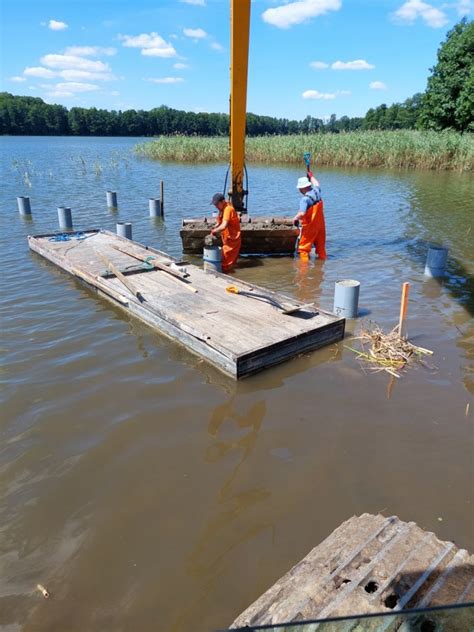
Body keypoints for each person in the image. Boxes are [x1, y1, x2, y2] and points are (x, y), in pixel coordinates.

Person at [293, 168, 327, 260]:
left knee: (303, 250)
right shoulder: (316, 191)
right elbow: (317, 184)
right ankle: (321, 268)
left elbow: (302, 213)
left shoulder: (305, 200)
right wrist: (311, 176)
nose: (299, 190)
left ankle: (303, 272)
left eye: (299, 188)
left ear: (302, 188)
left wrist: (295, 218)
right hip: (321, 227)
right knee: (321, 249)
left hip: (310, 228)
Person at [210, 193, 241, 271]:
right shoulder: (222, 209)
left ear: (223, 201)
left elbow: (224, 225)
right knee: (225, 261)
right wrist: (215, 226)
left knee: (226, 264)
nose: (216, 206)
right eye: (215, 204)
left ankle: (229, 278)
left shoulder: (228, 209)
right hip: (227, 239)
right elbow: (219, 222)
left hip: (233, 240)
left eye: (217, 204)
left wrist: (214, 231)